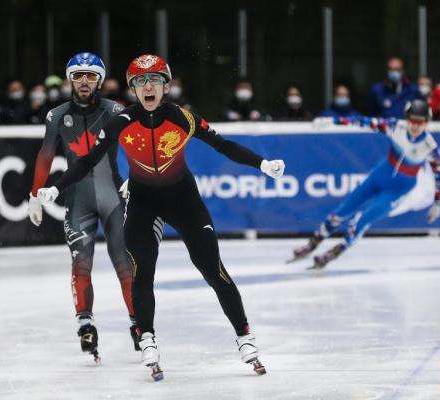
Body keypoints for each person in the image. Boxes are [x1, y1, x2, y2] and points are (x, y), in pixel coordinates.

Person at [37, 54, 285, 379]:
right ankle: (148, 339)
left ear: (166, 86)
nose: (148, 87)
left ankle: (245, 337)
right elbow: (86, 161)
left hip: (184, 200)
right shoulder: (120, 122)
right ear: (133, 89)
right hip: (143, 202)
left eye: (155, 80)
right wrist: (55, 188)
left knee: (213, 269)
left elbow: (222, 145)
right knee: (142, 273)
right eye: (141, 82)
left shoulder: (183, 118)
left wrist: (262, 165)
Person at [28, 52, 137, 363]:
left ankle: (137, 323)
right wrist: (35, 194)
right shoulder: (56, 116)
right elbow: (46, 156)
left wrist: (136, 177)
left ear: (100, 80)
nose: (85, 81)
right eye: (78, 75)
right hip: (79, 202)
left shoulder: (116, 110)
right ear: (69, 79)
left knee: (125, 265)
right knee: (81, 263)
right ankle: (85, 324)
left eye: (91, 76)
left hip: (114, 197)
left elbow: (135, 144)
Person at [291, 100, 440, 268]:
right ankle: (313, 243)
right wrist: (333, 121)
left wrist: (437, 202)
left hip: (398, 190)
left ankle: (334, 252)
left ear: (427, 122)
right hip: (379, 176)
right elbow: (363, 122)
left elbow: (439, 172)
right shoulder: (395, 127)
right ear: (406, 119)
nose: (415, 126)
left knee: (360, 222)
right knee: (340, 213)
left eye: (420, 122)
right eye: (412, 121)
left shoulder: (429, 146)